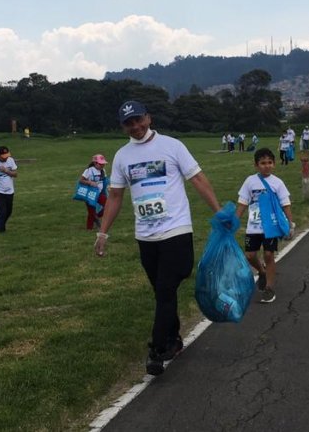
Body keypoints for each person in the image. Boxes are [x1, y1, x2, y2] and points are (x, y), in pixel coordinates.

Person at [95, 100, 223, 377]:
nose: (135, 127)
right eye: (129, 123)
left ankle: (156, 350)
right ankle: (174, 340)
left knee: (165, 289)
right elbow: (115, 196)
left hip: (176, 230)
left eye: (139, 120)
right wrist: (103, 232)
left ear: (149, 118)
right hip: (146, 236)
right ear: (123, 127)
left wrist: (219, 211)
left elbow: (198, 179)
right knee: (162, 292)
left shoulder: (172, 146)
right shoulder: (122, 156)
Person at [235, 148, 294, 304]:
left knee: (268, 255)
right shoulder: (250, 181)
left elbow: (285, 203)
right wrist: (235, 220)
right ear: (256, 165)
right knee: (250, 255)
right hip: (253, 227)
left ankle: (269, 288)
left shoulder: (277, 183)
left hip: (271, 226)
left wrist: (290, 223)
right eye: (262, 163)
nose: (266, 166)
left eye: (269, 162)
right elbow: (242, 202)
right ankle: (261, 271)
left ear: (274, 164)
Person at [78, 154, 108, 230]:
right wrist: (90, 183)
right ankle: (89, 228)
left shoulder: (103, 171)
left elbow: (104, 180)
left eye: (103, 164)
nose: (102, 165)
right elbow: (81, 180)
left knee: (108, 205)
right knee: (91, 211)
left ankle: (97, 216)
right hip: (90, 194)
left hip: (100, 193)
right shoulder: (89, 171)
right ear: (95, 163)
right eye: (100, 164)